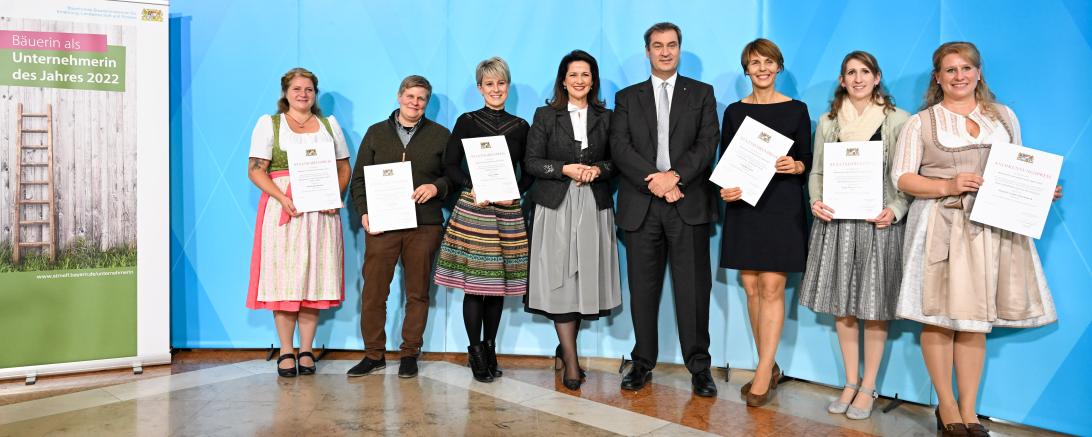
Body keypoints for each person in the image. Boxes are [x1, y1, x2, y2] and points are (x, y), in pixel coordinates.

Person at [892, 41, 1062, 436]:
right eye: (950, 70)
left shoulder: (1003, 117)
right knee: (939, 319)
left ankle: (969, 413)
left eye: (966, 68)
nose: (959, 76)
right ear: (938, 77)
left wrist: (1040, 189)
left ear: (979, 73)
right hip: (940, 225)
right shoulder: (922, 122)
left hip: (990, 227)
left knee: (973, 321)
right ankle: (947, 409)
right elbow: (902, 178)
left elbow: (1019, 166)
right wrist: (949, 183)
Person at [797, 51, 910, 419]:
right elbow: (816, 173)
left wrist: (895, 209)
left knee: (874, 308)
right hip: (838, 222)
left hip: (879, 223)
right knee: (843, 307)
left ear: (877, 78)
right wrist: (816, 201)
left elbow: (905, 176)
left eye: (865, 72)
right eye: (851, 73)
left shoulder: (898, 120)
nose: (858, 78)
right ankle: (849, 381)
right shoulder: (829, 120)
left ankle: (868, 385)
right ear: (842, 80)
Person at [611, 22, 720, 397]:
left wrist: (674, 177)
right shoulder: (627, 97)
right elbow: (620, 148)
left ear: (679, 49)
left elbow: (708, 143)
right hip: (642, 205)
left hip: (687, 203)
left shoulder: (701, 93)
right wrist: (656, 180)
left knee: (693, 291)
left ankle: (699, 368)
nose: (665, 52)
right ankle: (641, 363)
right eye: (657, 46)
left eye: (672, 45)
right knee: (643, 289)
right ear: (647, 51)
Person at [718, 38, 811, 407]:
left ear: (779, 67)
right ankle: (768, 365)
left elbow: (807, 160)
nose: (762, 68)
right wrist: (725, 189)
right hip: (744, 206)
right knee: (751, 285)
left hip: (782, 205)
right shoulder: (734, 112)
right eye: (755, 62)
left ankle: (762, 371)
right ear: (746, 69)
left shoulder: (797, 109)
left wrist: (796, 165)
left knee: (772, 286)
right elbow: (726, 164)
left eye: (768, 62)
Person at [524, 50, 621, 391]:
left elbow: (617, 162)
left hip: (594, 204)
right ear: (563, 80)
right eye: (573, 74)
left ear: (593, 80)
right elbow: (532, 162)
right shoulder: (545, 116)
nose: (580, 80)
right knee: (561, 281)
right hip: (555, 205)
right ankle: (572, 361)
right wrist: (563, 169)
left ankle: (565, 350)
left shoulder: (607, 117)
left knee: (583, 282)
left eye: (586, 74)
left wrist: (599, 170)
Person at [246, 67, 352, 377]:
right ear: (286, 93)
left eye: (309, 89)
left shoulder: (329, 126)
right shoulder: (270, 125)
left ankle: (306, 348)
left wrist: (335, 197)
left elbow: (344, 169)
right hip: (285, 211)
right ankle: (286, 350)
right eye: (297, 89)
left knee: (313, 279)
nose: (303, 94)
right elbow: (255, 170)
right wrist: (281, 198)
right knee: (284, 281)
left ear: (315, 94)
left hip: (321, 213)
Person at [433, 57, 533, 383]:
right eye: (489, 84)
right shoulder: (467, 121)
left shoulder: (521, 126)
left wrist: (514, 192)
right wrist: (470, 186)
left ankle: (490, 349)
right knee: (476, 287)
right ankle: (475, 352)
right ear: (480, 88)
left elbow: (530, 171)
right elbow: (450, 164)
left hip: (506, 211)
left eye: (501, 83)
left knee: (497, 288)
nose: (495, 89)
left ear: (508, 86)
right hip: (474, 210)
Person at [347, 75, 451, 379]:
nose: (415, 103)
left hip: (424, 226)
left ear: (426, 103)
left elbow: (454, 178)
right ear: (399, 96)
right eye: (410, 96)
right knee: (374, 292)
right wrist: (364, 213)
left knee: (417, 292)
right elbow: (359, 180)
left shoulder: (441, 135)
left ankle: (409, 354)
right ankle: (373, 354)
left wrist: (437, 187)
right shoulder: (376, 133)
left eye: (421, 98)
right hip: (383, 225)